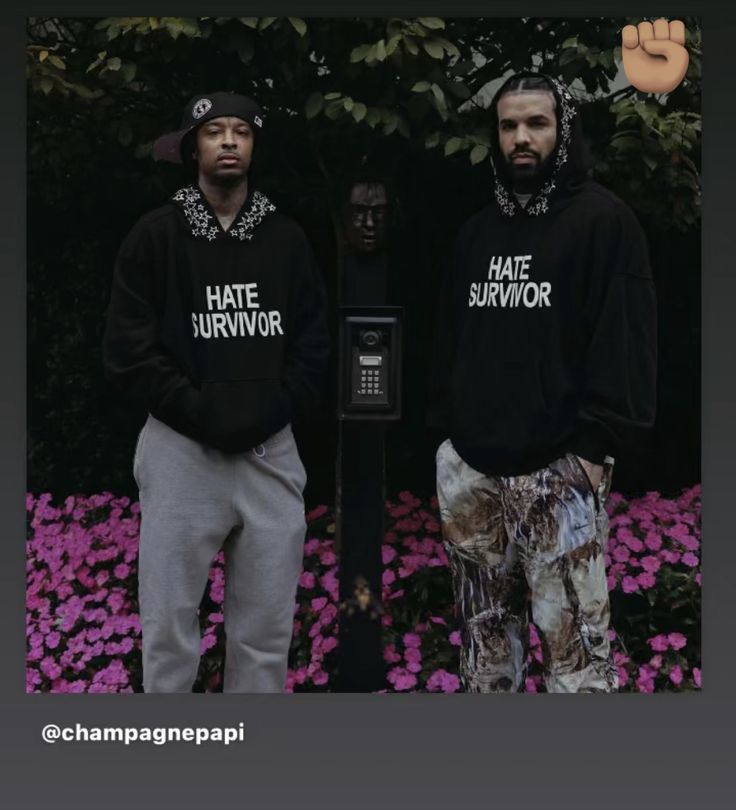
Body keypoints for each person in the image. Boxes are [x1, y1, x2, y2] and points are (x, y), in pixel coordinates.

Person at [429, 72, 657, 693]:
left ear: (564, 131)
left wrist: (590, 451)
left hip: (559, 470)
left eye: (537, 123)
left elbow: (626, 344)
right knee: (484, 658)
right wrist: (452, 441)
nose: (521, 138)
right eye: (508, 126)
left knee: (577, 662)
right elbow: (451, 339)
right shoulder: (477, 232)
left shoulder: (603, 222)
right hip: (473, 473)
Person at [102, 92, 329, 693]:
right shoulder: (155, 237)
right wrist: (199, 410)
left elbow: (313, 349)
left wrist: (271, 409)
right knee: (170, 627)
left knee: (264, 631)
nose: (228, 142)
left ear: (254, 147)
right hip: (181, 451)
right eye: (213, 132)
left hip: (268, 454)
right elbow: (130, 353)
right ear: (192, 148)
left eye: (241, 132)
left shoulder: (286, 239)